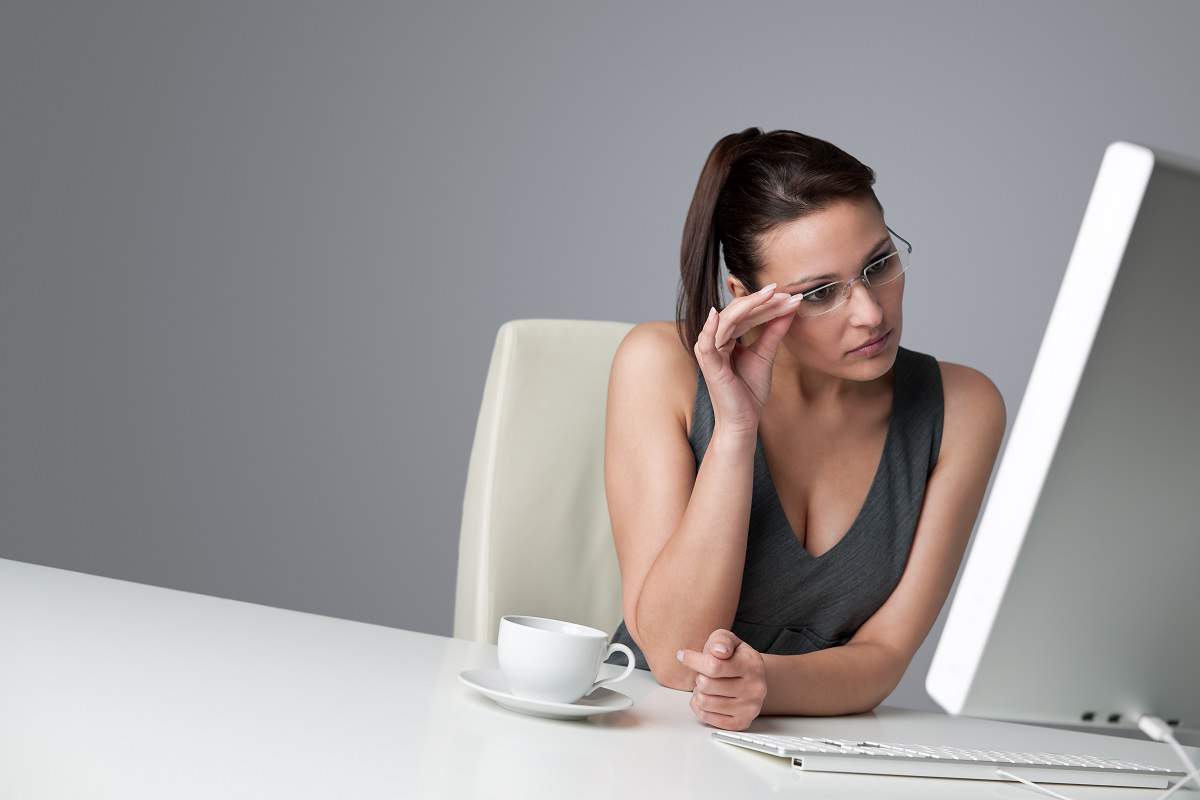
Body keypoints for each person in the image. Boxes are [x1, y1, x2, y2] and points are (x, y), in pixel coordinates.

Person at [602, 127, 1007, 731]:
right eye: (818, 293)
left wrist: (765, 683)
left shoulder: (964, 409)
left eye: (879, 264)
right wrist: (736, 427)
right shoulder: (657, 365)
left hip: (813, 748)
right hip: (645, 731)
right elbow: (676, 657)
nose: (869, 313)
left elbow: (885, 656)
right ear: (745, 296)